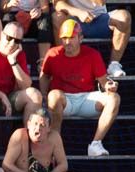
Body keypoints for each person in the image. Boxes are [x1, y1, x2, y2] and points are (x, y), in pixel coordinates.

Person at [40, 19, 119, 157]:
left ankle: (95, 144)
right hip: (64, 101)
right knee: (54, 96)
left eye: (71, 37)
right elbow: (44, 75)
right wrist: (44, 96)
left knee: (114, 98)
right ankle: (54, 145)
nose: (67, 42)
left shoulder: (92, 54)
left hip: (86, 99)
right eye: (64, 38)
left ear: (80, 38)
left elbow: (103, 81)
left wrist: (109, 86)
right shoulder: (53, 54)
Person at [2, 107, 78, 172]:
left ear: (49, 128)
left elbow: (63, 165)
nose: (38, 129)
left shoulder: (54, 137)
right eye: (35, 124)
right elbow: (6, 164)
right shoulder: (19, 135)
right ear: (28, 124)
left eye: (42, 125)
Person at [53, 0, 129, 78]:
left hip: (99, 18)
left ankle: (113, 65)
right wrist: (78, 12)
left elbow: (101, 2)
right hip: (73, 20)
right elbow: (58, 4)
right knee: (57, 17)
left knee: (124, 16)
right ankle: (65, 63)